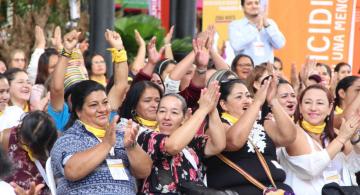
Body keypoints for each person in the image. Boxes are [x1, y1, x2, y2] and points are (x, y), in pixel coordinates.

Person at [50, 80, 152, 194]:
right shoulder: (69, 139)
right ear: (78, 111)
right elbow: (72, 171)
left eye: (105, 102)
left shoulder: (120, 135)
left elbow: (144, 171)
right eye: (94, 105)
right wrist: (106, 144)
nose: (103, 109)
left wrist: (132, 146)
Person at [205, 74, 296, 194]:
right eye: (239, 97)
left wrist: (273, 100)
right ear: (223, 104)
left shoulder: (261, 123)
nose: (247, 100)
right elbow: (234, 142)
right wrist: (257, 103)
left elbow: (288, 137)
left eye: (248, 96)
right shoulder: (217, 125)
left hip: (276, 189)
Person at [136, 82, 226, 194]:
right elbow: (173, 146)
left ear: (184, 118)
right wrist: (202, 110)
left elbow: (219, 144)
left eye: (174, 112)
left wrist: (212, 109)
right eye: (162, 111)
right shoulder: (146, 136)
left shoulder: (191, 141)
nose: (167, 117)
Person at [277, 84, 360, 195]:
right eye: (307, 102)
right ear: (300, 107)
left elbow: (354, 165)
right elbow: (311, 168)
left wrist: (354, 138)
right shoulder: (293, 133)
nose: (313, 108)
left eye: (320, 103)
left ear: (330, 108)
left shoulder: (334, 134)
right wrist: (342, 138)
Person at [1, 111, 58, 195]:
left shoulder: (53, 148)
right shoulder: (5, 138)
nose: (26, 143)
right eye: (26, 138)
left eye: (33, 143)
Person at [228, 0, 285, 66]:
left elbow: (280, 44)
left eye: (256, 3)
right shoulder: (235, 25)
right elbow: (237, 46)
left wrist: (266, 25)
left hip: (266, 72)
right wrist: (257, 29)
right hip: (246, 71)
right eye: (249, 4)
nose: (254, 6)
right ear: (242, 7)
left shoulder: (270, 23)